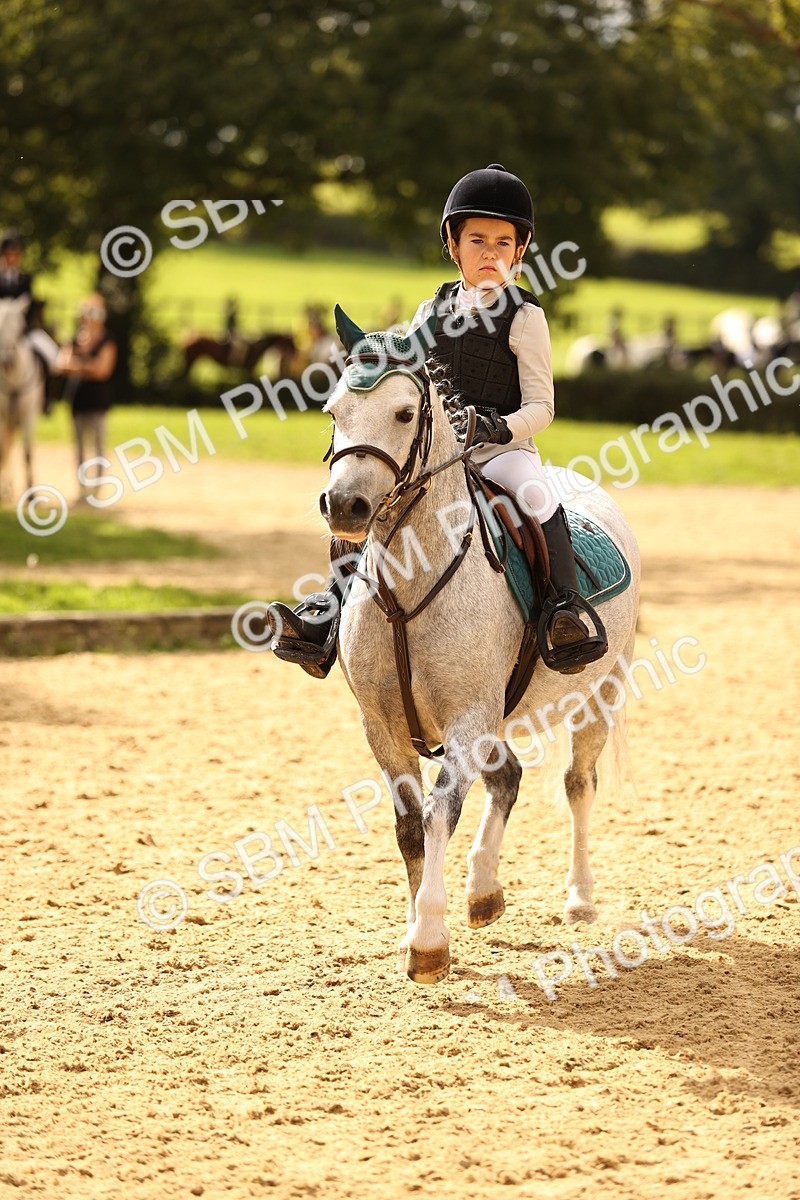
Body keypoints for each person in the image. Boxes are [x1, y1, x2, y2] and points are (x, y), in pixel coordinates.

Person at [269, 164, 606, 677]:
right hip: (436, 451)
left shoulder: (526, 317)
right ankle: (327, 616)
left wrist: (497, 429)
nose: (490, 252)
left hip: (503, 453)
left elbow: (543, 408)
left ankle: (563, 608)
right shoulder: (433, 309)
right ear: (453, 244)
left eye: (502, 241)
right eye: (477, 240)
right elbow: (409, 375)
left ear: (520, 251)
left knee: (539, 498)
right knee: (366, 498)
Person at [54, 294, 117, 501]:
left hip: (98, 400)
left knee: (98, 445)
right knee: (79, 446)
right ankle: (82, 489)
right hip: (78, 399)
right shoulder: (76, 339)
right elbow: (60, 365)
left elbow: (102, 370)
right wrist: (87, 366)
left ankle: (97, 489)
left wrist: (77, 366)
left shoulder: (107, 341)